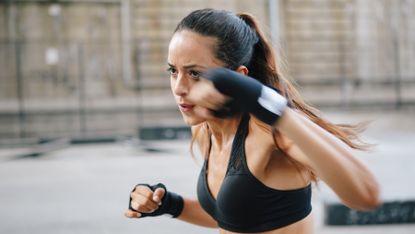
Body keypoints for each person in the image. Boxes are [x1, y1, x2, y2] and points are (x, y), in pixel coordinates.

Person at [125, 8, 380, 233]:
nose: (179, 88)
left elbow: (366, 194)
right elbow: (233, 218)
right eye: (173, 71)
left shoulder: (272, 133)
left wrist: (274, 109)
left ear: (239, 77)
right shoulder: (205, 130)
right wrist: (169, 204)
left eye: (194, 73)